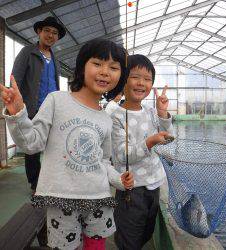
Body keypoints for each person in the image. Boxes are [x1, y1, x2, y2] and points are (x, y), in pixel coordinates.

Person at [0, 38, 134, 250]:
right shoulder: (56, 100)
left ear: (120, 77)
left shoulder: (106, 119)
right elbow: (31, 143)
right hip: (62, 201)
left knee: (95, 247)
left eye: (114, 67)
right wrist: (18, 113)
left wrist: (119, 180)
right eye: (97, 63)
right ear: (82, 67)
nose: (105, 72)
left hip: (99, 198)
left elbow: (104, 162)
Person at [110, 54, 174, 250]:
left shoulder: (151, 112)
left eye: (147, 79)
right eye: (135, 77)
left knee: (146, 232)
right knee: (129, 238)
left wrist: (163, 114)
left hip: (153, 187)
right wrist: (149, 142)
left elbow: (168, 137)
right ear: (123, 80)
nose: (141, 83)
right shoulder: (116, 116)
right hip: (131, 189)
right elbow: (122, 154)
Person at [12, 16, 66, 193]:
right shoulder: (28, 52)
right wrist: (17, 105)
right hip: (33, 109)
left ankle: (51, 177)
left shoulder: (55, 58)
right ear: (39, 32)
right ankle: (35, 183)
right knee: (32, 149)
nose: (51, 35)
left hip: (52, 110)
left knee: (54, 145)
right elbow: (16, 79)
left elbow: (56, 84)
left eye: (55, 33)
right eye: (47, 31)